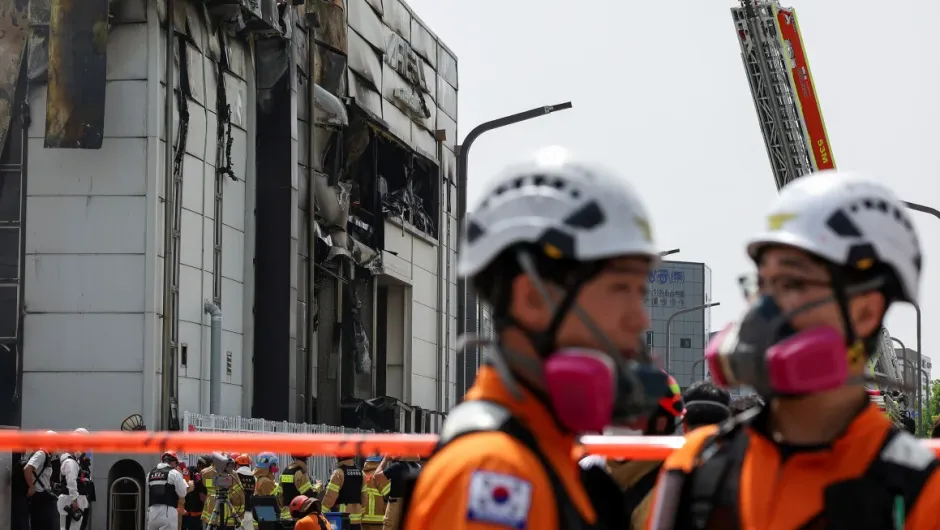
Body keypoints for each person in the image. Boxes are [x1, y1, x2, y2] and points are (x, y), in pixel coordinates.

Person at [646, 171, 940, 529]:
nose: (764, 308)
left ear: (866, 312)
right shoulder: (698, 465)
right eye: (763, 283)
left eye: (792, 283)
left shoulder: (920, 494)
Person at [401, 147, 669, 529]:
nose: (640, 319)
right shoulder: (495, 472)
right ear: (532, 299)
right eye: (620, 288)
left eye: (640, 292)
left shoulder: (549, 455)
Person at [581, 372, 684, 530]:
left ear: (661, 422)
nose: (617, 420)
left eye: (631, 411)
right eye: (612, 409)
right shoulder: (584, 470)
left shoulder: (673, 485)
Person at [24, 432, 61, 530]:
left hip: (44, 496)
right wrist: (31, 486)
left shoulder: (47, 455)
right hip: (39, 497)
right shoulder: (41, 454)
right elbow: (27, 469)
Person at [371, 456, 420, 530]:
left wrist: (385, 459)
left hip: (395, 505)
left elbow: (376, 476)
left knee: (389, 526)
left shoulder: (398, 467)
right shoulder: (418, 467)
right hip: (411, 504)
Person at [147, 451, 189, 530]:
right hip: (168, 513)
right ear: (173, 462)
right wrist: (182, 480)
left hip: (152, 513)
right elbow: (182, 493)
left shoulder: (150, 474)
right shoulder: (174, 473)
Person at [202, 453, 246, 529]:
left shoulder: (205, 473)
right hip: (227, 518)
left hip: (211, 517)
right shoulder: (232, 474)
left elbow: (207, 483)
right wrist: (239, 516)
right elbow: (238, 497)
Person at [321, 456, 364, 529]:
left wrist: (321, 512)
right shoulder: (361, 473)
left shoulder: (338, 473)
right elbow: (364, 497)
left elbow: (330, 497)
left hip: (342, 518)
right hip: (357, 520)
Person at [278, 454, 319, 520]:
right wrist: (318, 487)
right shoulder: (300, 472)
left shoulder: (285, 472)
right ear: (306, 459)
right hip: (297, 515)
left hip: (285, 516)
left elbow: (280, 496)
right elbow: (308, 494)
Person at [181, 456, 209, 530]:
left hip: (185, 513)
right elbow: (202, 497)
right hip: (195, 515)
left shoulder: (187, 470)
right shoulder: (200, 477)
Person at [360, 456, 386, 530]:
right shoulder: (382, 476)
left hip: (363, 519)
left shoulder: (361, 475)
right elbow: (388, 498)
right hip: (379, 520)